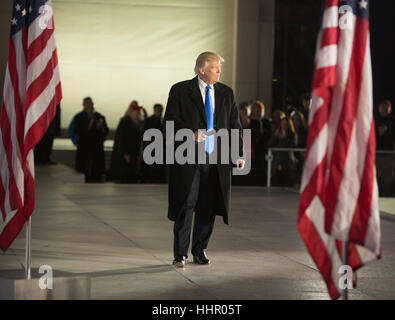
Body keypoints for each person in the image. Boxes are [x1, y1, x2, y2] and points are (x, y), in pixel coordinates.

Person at [164, 51, 244, 267]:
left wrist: (237, 153)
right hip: (188, 158)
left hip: (216, 160)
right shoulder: (180, 90)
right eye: (215, 67)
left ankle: (200, 250)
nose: (219, 71)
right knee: (186, 205)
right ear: (201, 69)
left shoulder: (226, 93)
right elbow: (170, 121)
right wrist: (191, 133)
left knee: (208, 206)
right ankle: (180, 253)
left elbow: (234, 125)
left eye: (219, 67)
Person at [74, 97, 109, 182]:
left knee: (97, 168)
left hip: (97, 147)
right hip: (84, 147)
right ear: (84, 105)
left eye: (91, 104)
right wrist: (89, 125)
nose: (90, 106)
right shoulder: (79, 117)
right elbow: (77, 131)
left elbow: (106, 131)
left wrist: (100, 127)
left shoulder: (99, 116)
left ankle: (97, 180)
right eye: (88, 104)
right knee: (84, 167)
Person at [111, 102, 143, 183]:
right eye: (135, 112)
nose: (137, 113)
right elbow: (120, 139)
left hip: (133, 154)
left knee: (132, 176)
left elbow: (138, 141)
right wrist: (125, 153)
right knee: (125, 176)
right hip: (125, 155)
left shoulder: (137, 123)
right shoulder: (124, 121)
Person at [374, 99, 395, 196]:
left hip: (389, 155)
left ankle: (387, 196)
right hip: (376, 154)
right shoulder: (374, 120)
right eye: (382, 107)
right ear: (378, 108)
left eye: (386, 107)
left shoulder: (392, 121)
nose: (384, 109)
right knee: (375, 178)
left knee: (388, 179)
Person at [142, 104, 165, 182]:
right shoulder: (152, 121)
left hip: (158, 148)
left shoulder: (161, 120)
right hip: (152, 148)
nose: (158, 112)